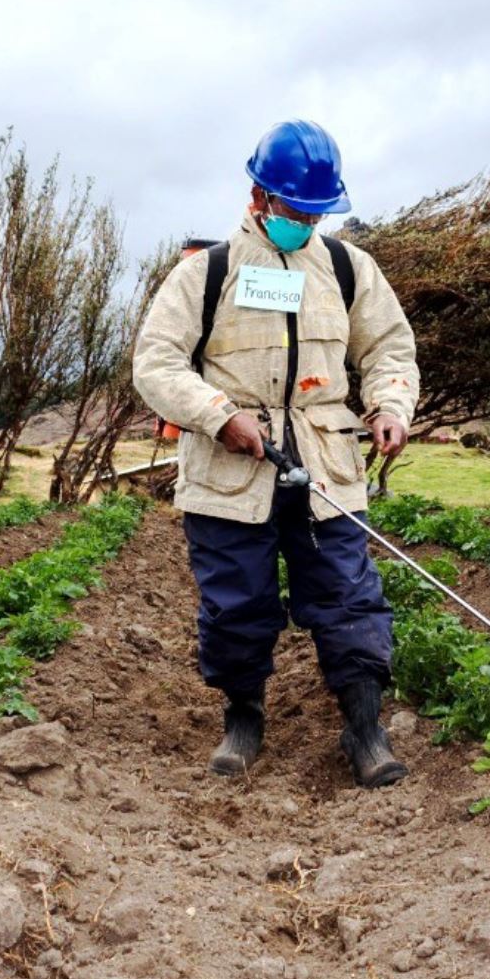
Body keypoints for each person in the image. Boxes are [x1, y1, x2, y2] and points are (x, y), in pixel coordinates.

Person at [133, 119, 419, 787]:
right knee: (237, 604)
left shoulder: (348, 270)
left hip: (324, 467)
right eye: (297, 209)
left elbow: (389, 351)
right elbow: (156, 363)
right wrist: (219, 415)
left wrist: (388, 408)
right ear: (259, 197)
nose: (308, 222)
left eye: (319, 212)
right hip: (232, 472)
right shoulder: (208, 274)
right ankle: (244, 719)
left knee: (349, 596)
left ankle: (365, 728)